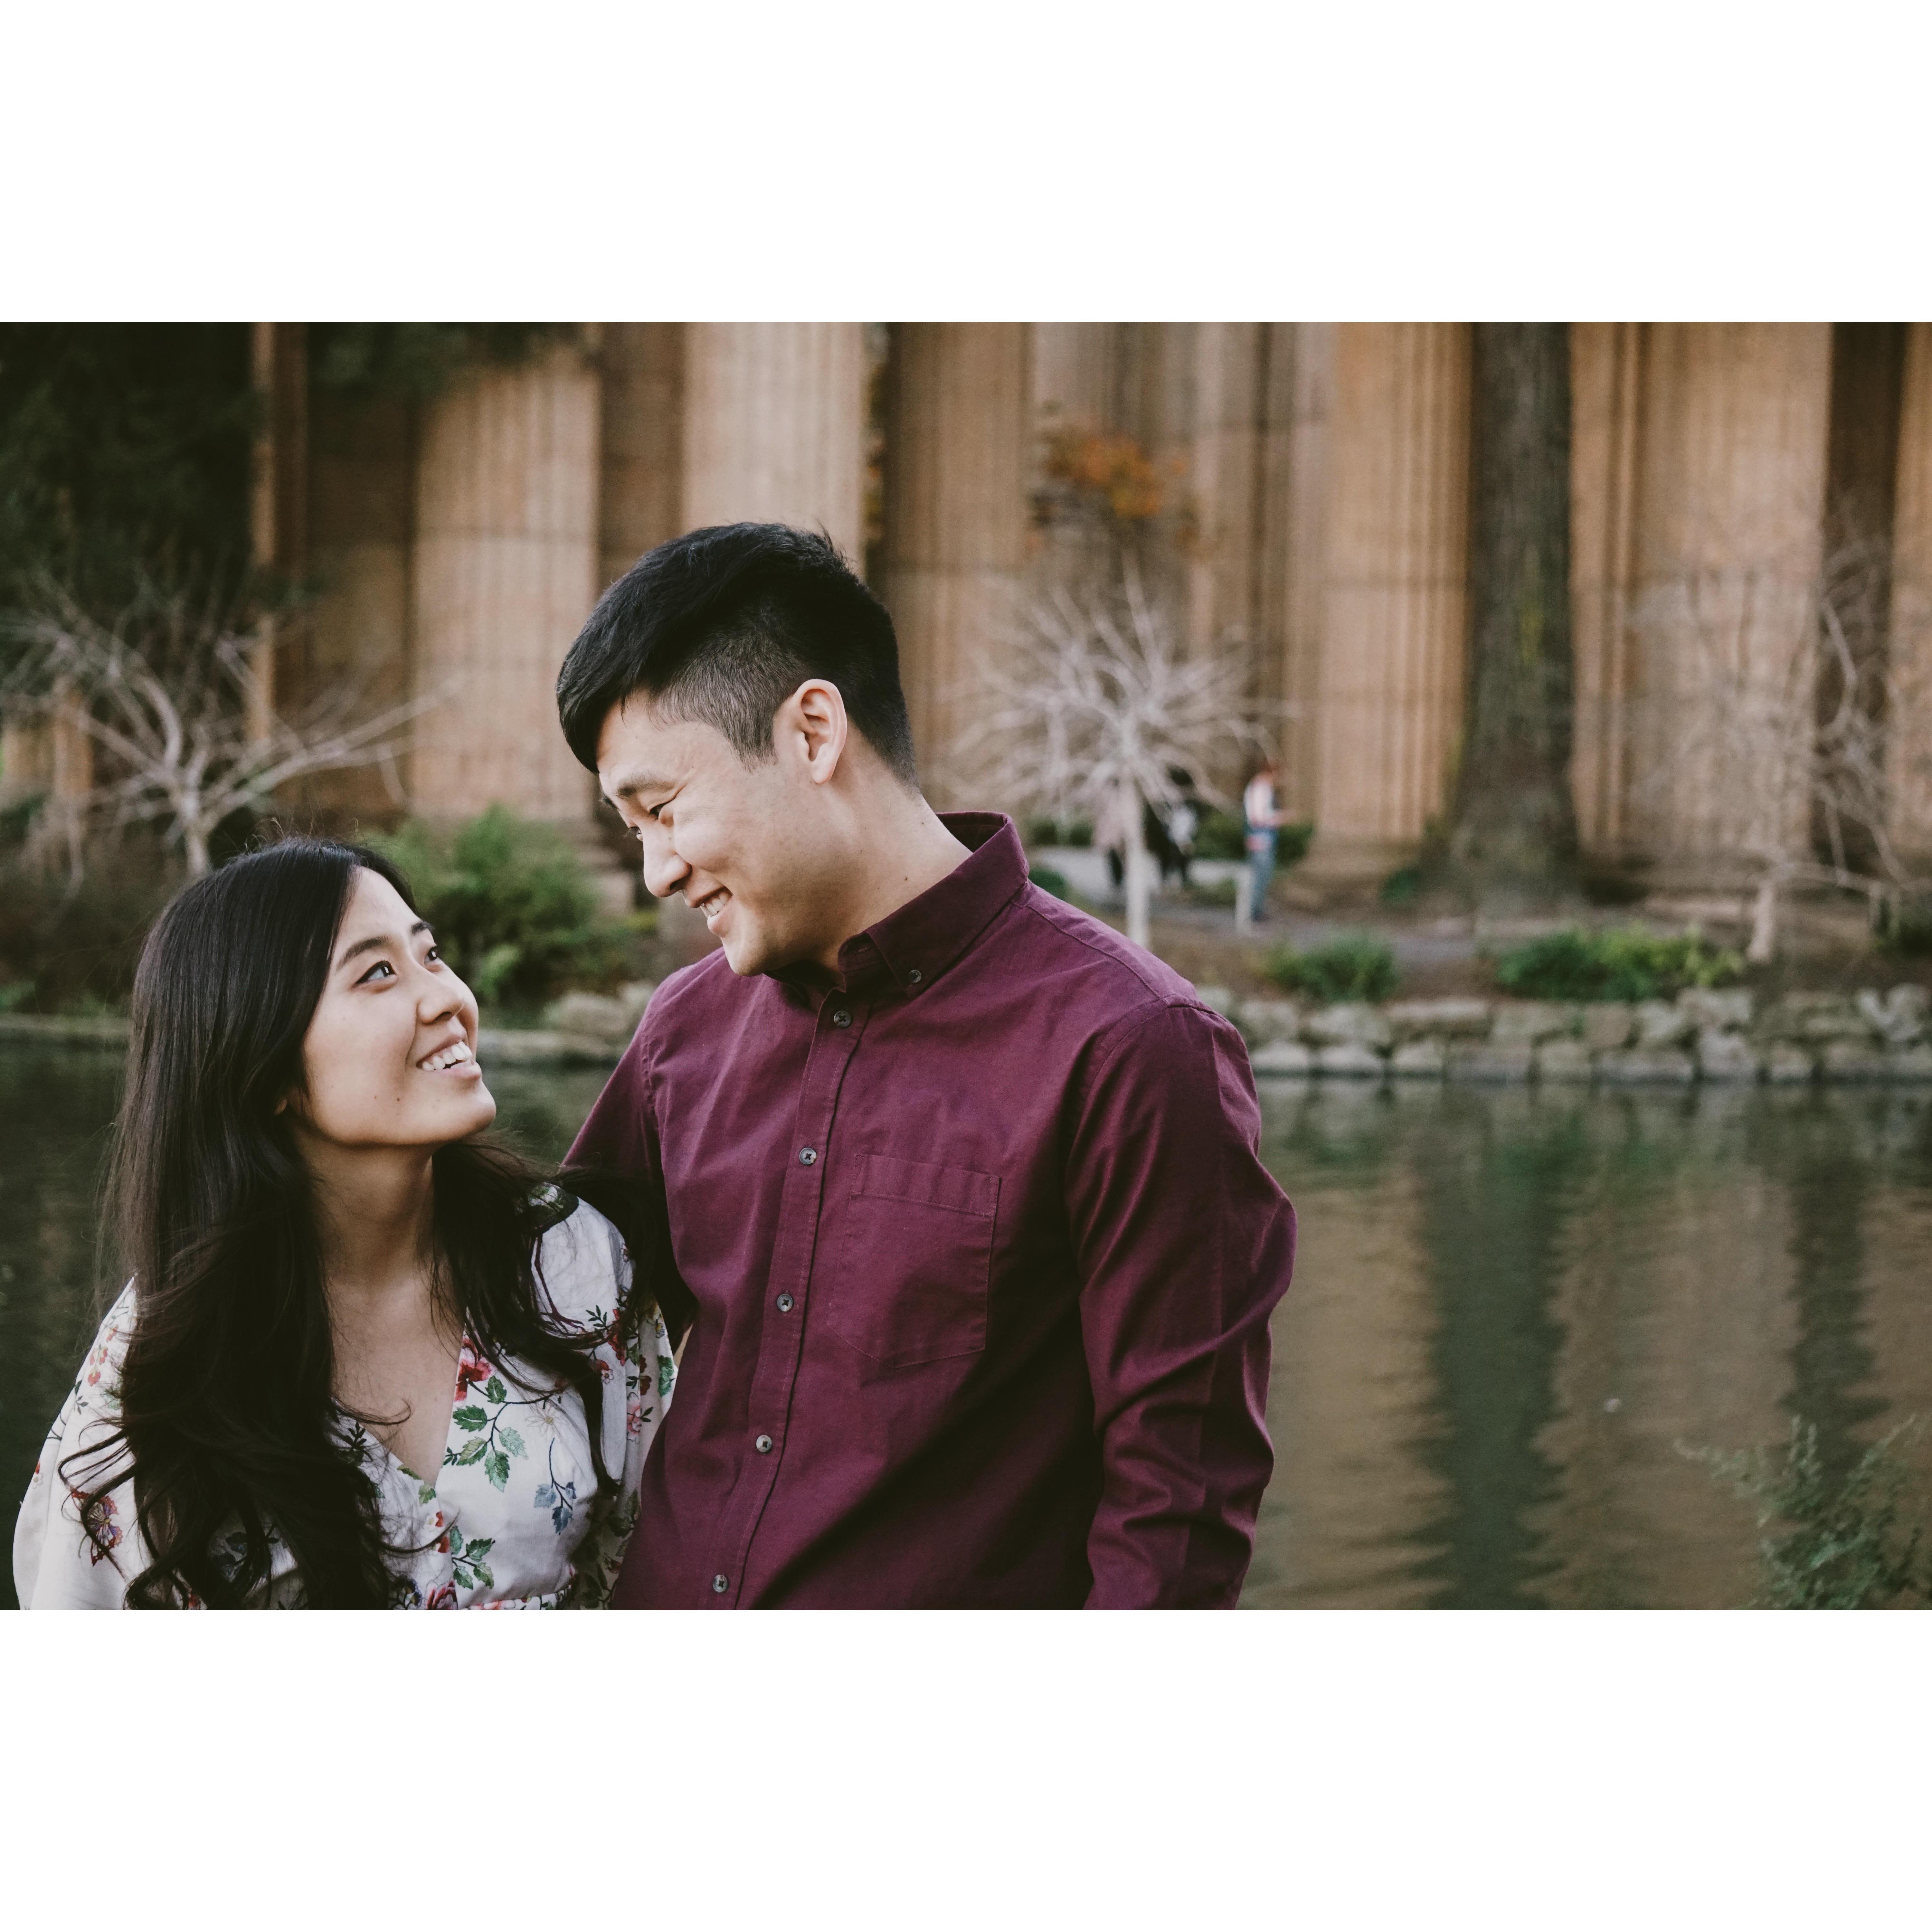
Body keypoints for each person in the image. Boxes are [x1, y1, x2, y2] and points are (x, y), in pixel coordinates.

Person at [555, 522, 1296, 1608]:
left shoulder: (1134, 1050)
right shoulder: (682, 1032)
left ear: (813, 733)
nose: (658, 871)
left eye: (663, 811)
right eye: (634, 832)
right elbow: (537, 1325)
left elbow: (1175, 1522)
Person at [13, 840, 672, 1609]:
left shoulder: (569, 1261)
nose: (447, 998)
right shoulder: (163, 1363)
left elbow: (661, 1569)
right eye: (379, 973)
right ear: (264, 1066)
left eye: (431, 955)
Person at [1243, 757, 1290, 925]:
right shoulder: (1260, 789)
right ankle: (1252, 914)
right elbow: (1257, 818)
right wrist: (1280, 818)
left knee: (1264, 875)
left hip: (1265, 838)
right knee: (1259, 876)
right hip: (1260, 838)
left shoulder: (1266, 789)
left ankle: (1257, 911)